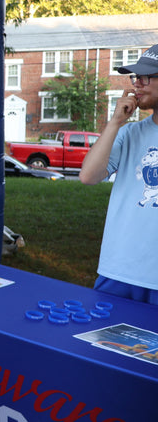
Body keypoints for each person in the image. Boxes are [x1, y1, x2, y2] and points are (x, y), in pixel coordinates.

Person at [80, 44, 158, 304]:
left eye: (146, 77)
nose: (137, 84)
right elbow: (88, 177)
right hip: (119, 271)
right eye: (136, 77)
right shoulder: (128, 133)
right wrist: (114, 123)